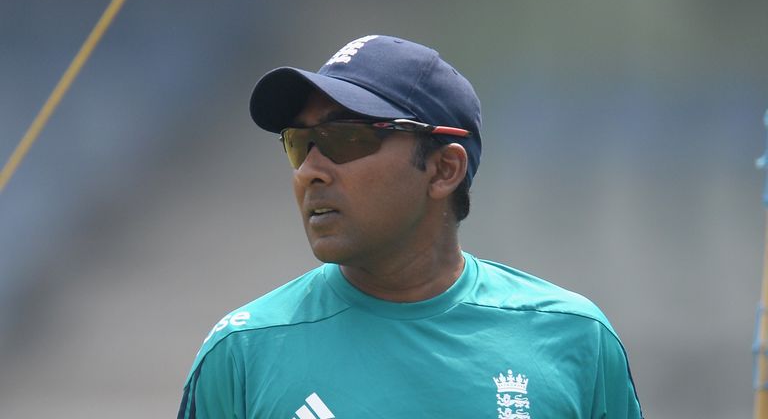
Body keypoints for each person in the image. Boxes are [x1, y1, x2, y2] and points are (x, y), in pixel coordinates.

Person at [177, 34, 642, 418]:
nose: (309, 171)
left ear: (443, 170)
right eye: (300, 144)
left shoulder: (576, 337)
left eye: (346, 137)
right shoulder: (241, 352)